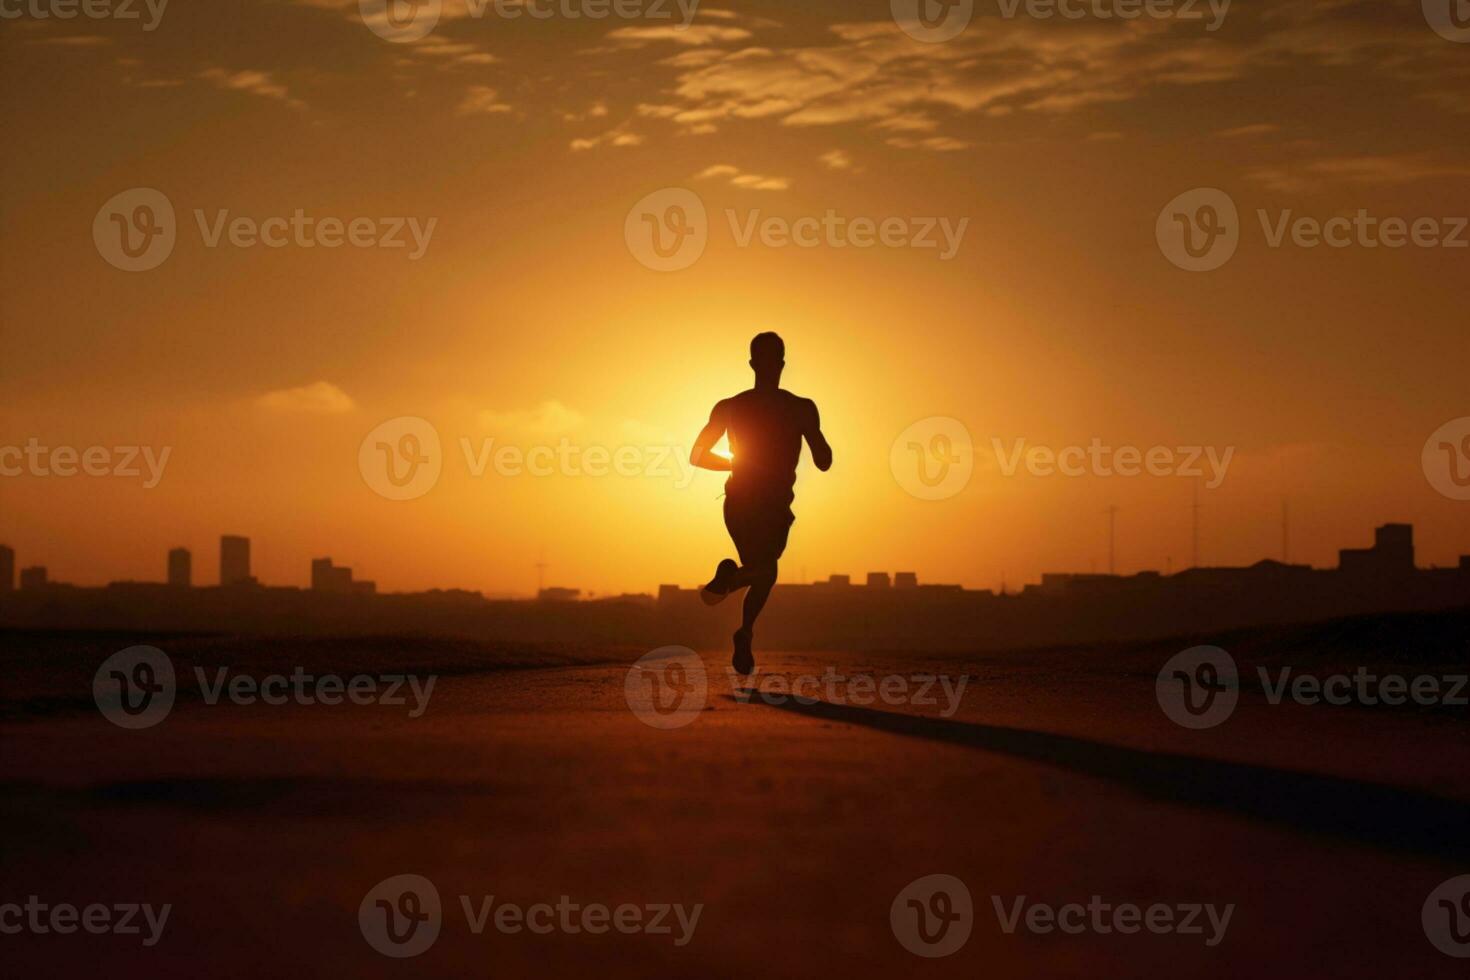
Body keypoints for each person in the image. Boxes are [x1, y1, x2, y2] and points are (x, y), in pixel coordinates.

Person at [690, 332, 832, 675]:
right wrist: (810, 436)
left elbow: (697, 455)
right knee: (766, 569)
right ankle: (737, 603)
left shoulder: (730, 407)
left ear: (752, 363)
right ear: (782, 364)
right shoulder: (800, 407)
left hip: (738, 502)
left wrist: (735, 464)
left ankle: (740, 615)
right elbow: (824, 460)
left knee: (762, 570)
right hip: (773, 504)